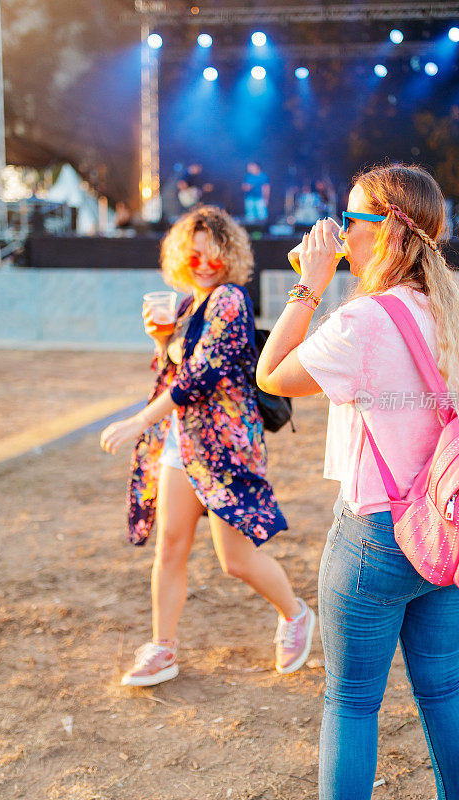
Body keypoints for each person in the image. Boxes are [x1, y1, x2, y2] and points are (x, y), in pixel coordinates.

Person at [256, 164, 459, 800]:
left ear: (387, 231)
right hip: (450, 530)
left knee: (352, 703)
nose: (338, 237)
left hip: (376, 537)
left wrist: (307, 287)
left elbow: (271, 374)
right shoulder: (458, 316)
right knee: (443, 683)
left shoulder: (363, 322)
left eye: (349, 222)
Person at [100, 205, 315, 687]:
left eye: (213, 254)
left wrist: (139, 419)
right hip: (182, 443)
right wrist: (161, 341)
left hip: (225, 448)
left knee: (234, 560)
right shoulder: (184, 307)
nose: (203, 263)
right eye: (193, 255)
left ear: (230, 254)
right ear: (180, 258)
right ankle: (163, 649)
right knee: (170, 546)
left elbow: (200, 376)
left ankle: (295, 614)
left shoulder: (229, 302)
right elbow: (174, 370)